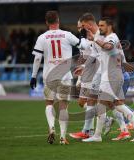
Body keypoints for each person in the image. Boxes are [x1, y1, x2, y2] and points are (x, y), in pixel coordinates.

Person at [82, 17, 134, 142]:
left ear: (109, 26)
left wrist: (95, 39)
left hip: (111, 77)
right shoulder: (110, 37)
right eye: (99, 25)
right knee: (118, 105)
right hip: (115, 75)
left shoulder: (111, 37)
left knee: (101, 105)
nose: (99, 28)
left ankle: (97, 136)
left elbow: (108, 47)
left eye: (102, 25)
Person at [30, 10, 87, 145]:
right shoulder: (67, 35)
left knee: (49, 102)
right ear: (58, 21)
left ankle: (51, 128)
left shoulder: (42, 37)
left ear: (46, 22)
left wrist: (33, 76)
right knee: (63, 106)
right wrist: (82, 36)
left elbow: (37, 58)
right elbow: (83, 46)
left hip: (48, 75)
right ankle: (62, 137)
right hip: (64, 76)